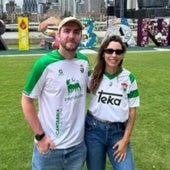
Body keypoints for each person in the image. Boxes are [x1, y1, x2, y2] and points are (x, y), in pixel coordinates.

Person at [21, 16, 88, 170]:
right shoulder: (44, 64)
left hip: (77, 148)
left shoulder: (84, 61)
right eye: (67, 31)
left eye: (76, 32)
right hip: (50, 147)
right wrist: (40, 137)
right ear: (58, 35)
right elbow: (26, 100)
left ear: (80, 36)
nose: (71, 36)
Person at [85, 35, 140, 170]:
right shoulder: (92, 75)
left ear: (122, 55)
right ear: (103, 53)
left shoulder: (129, 78)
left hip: (118, 132)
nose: (113, 55)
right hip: (93, 130)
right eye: (109, 51)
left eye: (118, 52)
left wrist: (125, 140)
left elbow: (132, 111)